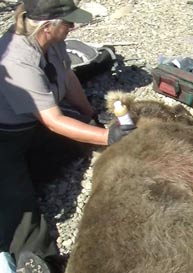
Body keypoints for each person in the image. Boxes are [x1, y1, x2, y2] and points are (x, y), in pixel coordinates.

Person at [0, 0, 135, 272]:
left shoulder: (52, 42)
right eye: (68, 22)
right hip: (7, 136)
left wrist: (90, 117)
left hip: (37, 125)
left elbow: (68, 78)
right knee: (17, 198)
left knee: (78, 143)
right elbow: (54, 120)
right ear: (48, 26)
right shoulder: (16, 59)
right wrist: (108, 136)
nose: (72, 27)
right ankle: (36, 258)